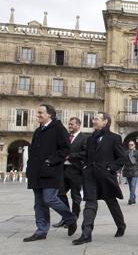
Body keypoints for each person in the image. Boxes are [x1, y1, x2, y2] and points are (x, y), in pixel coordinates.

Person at [24, 104, 78, 242]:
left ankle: (70, 218)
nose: (38, 115)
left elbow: (66, 149)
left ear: (50, 114)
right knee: (39, 204)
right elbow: (32, 151)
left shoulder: (59, 129)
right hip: (36, 173)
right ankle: (41, 230)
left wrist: (50, 161)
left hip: (51, 171)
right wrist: (29, 167)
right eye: (38, 112)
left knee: (49, 199)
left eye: (41, 112)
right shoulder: (38, 131)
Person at [72, 112, 127, 245]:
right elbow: (86, 156)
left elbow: (121, 158)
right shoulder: (90, 139)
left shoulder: (115, 138)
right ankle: (86, 234)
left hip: (106, 176)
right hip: (90, 176)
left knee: (111, 202)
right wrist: (85, 167)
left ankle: (121, 225)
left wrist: (110, 168)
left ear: (105, 122)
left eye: (96, 118)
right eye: (94, 118)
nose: (93, 120)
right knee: (90, 203)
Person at [53, 117, 87, 228]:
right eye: (69, 124)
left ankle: (74, 218)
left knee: (75, 196)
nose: (70, 126)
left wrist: (71, 156)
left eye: (72, 124)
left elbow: (86, 153)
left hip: (76, 171)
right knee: (60, 193)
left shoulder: (84, 138)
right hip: (63, 170)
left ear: (78, 125)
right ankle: (66, 217)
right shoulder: (66, 137)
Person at [123, 140, 138, 204]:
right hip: (127, 171)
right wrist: (119, 171)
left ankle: (131, 199)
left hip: (135, 171)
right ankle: (133, 198)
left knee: (133, 185)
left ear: (134, 145)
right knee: (130, 187)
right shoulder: (126, 153)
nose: (130, 146)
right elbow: (123, 162)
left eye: (132, 144)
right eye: (129, 145)